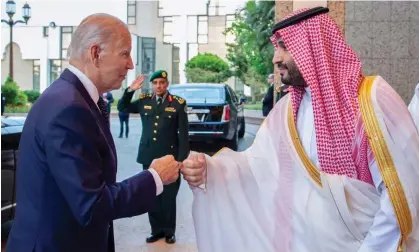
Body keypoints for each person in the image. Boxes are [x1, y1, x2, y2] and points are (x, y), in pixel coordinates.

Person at [181, 7, 419, 252]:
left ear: (313, 47)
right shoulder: (286, 111)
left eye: (284, 46)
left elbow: (401, 196)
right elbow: (256, 167)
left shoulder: (372, 101)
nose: (275, 58)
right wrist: (209, 170)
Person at [6, 14, 181, 252]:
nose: (130, 64)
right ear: (96, 53)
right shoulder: (67, 107)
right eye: (125, 53)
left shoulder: (76, 99)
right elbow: (92, 204)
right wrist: (155, 177)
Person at [118, 70, 189, 244]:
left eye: (162, 82)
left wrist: (181, 159)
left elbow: (184, 134)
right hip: (149, 156)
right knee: (153, 195)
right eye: (156, 82)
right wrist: (130, 90)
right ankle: (156, 230)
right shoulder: (145, 101)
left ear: (167, 84)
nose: (159, 86)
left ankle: (169, 231)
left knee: (169, 196)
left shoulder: (178, 104)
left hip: (170, 157)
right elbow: (122, 107)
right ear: (152, 85)